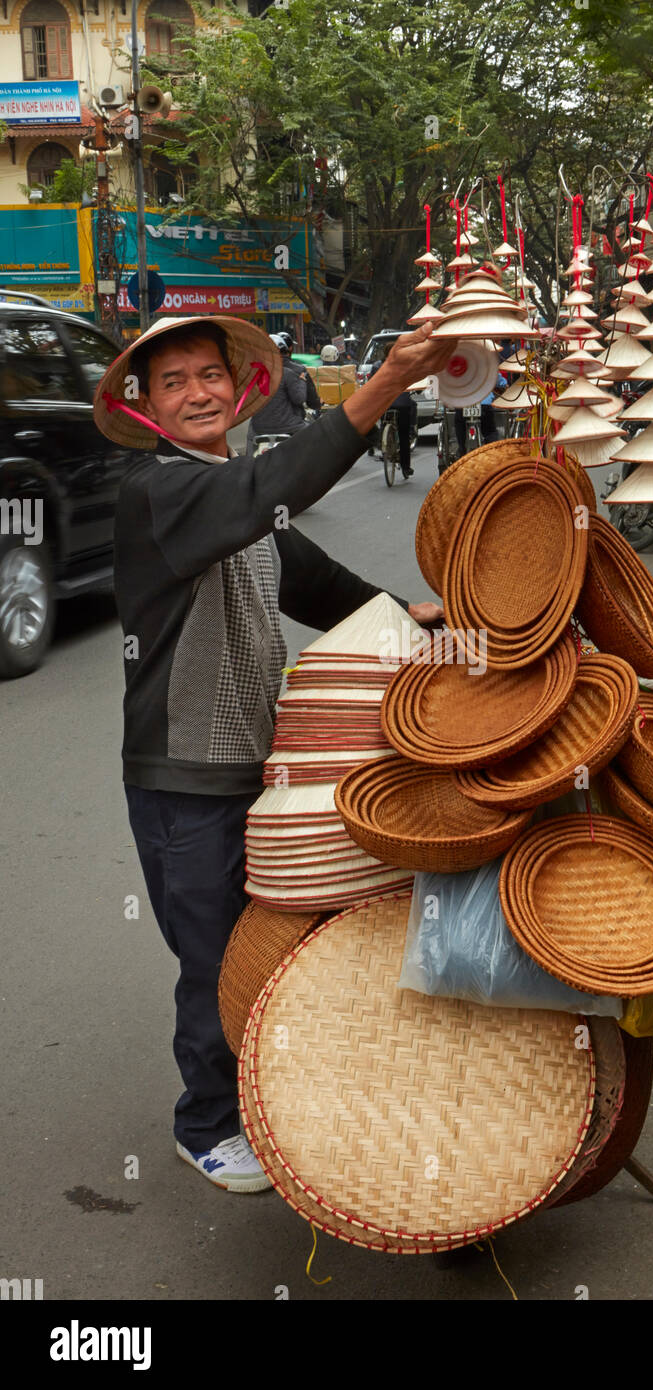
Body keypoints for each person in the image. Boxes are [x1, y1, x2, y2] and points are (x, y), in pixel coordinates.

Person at [93, 314, 452, 1192]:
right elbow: (267, 490)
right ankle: (206, 1121)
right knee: (212, 954)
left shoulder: (232, 488)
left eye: (207, 375)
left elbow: (315, 579)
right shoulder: (157, 489)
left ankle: (278, 1084)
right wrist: (387, 384)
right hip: (184, 776)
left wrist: (407, 617)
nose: (195, 393)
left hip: (263, 766)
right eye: (171, 382)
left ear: (237, 384)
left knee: (275, 940)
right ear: (143, 404)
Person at [246, 330, 321, 448]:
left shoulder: (256, 375)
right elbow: (300, 399)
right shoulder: (293, 371)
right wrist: (302, 381)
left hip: (259, 428)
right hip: (289, 427)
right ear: (287, 350)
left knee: (251, 439)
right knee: (316, 437)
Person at [369, 340, 417, 478]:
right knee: (403, 435)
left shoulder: (377, 366)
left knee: (384, 423)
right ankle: (406, 467)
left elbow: (371, 385)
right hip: (403, 405)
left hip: (384, 404)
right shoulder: (405, 365)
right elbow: (413, 381)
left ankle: (383, 440)